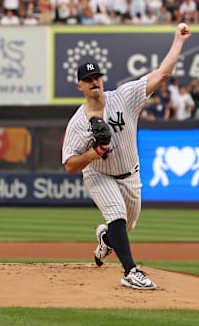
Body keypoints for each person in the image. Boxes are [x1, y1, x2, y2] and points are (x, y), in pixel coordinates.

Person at [61, 25, 192, 290]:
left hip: (131, 175)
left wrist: (178, 41)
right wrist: (93, 153)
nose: (94, 81)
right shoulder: (77, 123)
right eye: (88, 79)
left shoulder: (124, 97)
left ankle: (107, 240)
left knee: (124, 227)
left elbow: (162, 74)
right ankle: (130, 271)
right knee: (117, 215)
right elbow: (69, 165)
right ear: (80, 86)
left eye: (97, 76)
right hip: (99, 174)